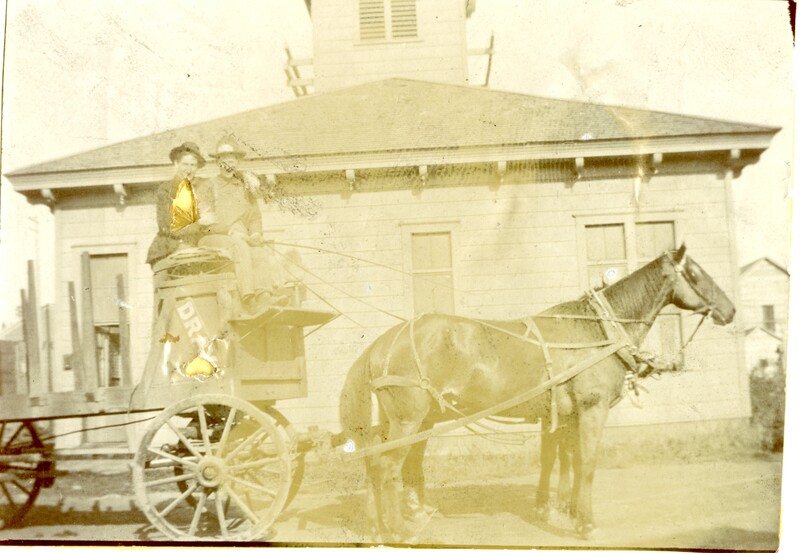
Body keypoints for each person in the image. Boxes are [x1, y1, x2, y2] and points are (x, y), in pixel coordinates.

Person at [200, 134, 294, 312]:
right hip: (215, 237)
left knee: (259, 252)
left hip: (241, 236)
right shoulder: (209, 186)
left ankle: (264, 297)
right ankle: (249, 299)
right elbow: (206, 222)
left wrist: (255, 233)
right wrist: (232, 231)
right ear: (218, 163)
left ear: (237, 162)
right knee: (240, 247)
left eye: (232, 161)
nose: (229, 165)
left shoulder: (245, 186)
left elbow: (255, 217)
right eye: (224, 160)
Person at [146, 142, 214, 267]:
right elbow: (167, 225)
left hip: (198, 242)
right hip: (169, 245)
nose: (189, 169)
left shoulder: (203, 187)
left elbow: (211, 218)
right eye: (185, 164)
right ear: (176, 164)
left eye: (193, 165)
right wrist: (199, 221)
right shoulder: (165, 189)